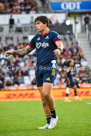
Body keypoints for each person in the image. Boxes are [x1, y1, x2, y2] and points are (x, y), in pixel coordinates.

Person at [5, 16, 63, 129]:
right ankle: (48, 121)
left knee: (46, 94)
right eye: (36, 23)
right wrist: (13, 52)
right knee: (42, 97)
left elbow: (60, 44)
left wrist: (59, 50)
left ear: (46, 24)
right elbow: (26, 50)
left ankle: (54, 116)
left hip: (50, 67)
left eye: (38, 23)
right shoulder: (36, 38)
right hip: (39, 69)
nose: (36, 26)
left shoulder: (53, 35)